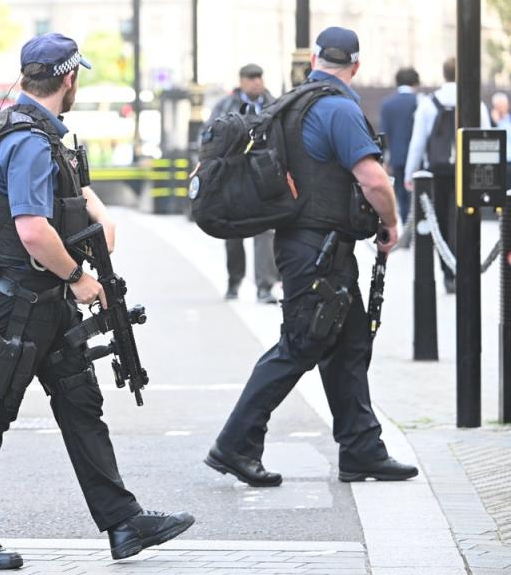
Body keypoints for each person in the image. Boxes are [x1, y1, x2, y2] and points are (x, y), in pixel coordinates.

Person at [0, 33, 193, 570]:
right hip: (17, 306)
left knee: (81, 404)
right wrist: (80, 276)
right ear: (70, 78)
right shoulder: (29, 140)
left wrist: (97, 222)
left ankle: (123, 523)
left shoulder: (35, 132)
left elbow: (72, 203)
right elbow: (32, 230)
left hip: (42, 303)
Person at [205, 27, 419, 488]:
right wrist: (392, 224)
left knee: (349, 344)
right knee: (301, 344)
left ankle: (363, 450)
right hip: (318, 250)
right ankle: (235, 444)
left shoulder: (294, 101)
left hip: (311, 246)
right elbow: (374, 179)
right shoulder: (338, 107)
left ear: (316, 58)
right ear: (356, 65)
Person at [403, 58, 489, 293]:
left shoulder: (429, 104)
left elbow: (418, 143)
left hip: (437, 172)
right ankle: (465, 268)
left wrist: (410, 173)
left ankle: (447, 272)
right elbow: (486, 137)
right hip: (467, 172)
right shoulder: (475, 103)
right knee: (466, 220)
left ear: (444, 74)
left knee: (439, 220)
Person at [203, 64, 279, 303]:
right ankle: (234, 281)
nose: (257, 82)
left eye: (259, 77)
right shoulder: (226, 105)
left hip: (263, 176)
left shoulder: (273, 103)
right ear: (242, 81)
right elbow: (207, 135)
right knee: (232, 231)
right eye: (251, 78)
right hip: (232, 175)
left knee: (265, 231)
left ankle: (264, 287)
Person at [379, 67, 420, 226]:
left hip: (396, 157)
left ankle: (405, 224)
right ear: (415, 82)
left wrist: (384, 159)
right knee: (419, 196)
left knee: (401, 196)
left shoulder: (387, 104)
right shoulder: (419, 102)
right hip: (417, 157)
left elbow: (384, 133)